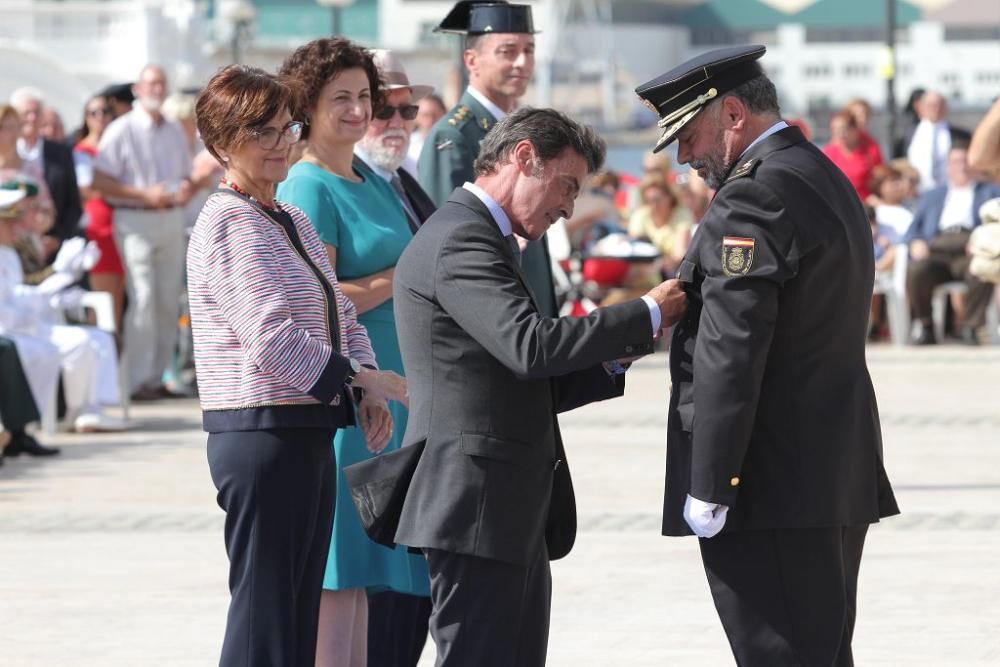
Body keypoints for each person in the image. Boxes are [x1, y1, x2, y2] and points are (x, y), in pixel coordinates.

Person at [352, 107, 687, 666]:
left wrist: (614, 357)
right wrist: (643, 314)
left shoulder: (482, 237)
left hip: (501, 501)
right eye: (566, 186)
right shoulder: (461, 238)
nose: (568, 208)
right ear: (524, 156)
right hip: (474, 500)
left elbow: (514, 379)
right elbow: (529, 347)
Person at [635, 45, 899, 666]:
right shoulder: (815, 170)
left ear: (731, 114)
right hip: (826, 469)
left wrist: (711, 481)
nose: (683, 156)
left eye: (690, 135)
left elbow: (733, 348)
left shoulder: (755, 196)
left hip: (769, 482)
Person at [188, 64, 408, 667]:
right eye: (260, 132)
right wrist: (364, 378)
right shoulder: (230, 221)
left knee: (293, 610)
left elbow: (338, 310)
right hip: (259, 430)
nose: (280, 143)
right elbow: (269, 338)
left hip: (303, 427)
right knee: (265, 612)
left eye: (285, 128)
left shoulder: (287, 217)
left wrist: (364, 393)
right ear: (220, 143)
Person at [276, 38, 431, 667]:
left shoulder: (369, 175)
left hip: (392, 394)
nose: (357, 110)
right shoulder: (309, 184)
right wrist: (404, 276)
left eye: (364, 97)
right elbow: (318, 302)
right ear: (307, 105)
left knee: (371, 580)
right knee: (340, 576)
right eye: (340, 97)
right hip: (351, 395)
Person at [352, 47, 438, 666]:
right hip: (370, 405)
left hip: (415, 403)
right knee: (377, 587)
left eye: (407, 109)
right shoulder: (327, 181)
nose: (396, 120)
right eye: (383, 107)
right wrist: (404, 274)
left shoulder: (398, 179)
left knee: (413, 587)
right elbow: (314, 299)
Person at [420, 2, 560, 318]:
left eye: (529, 50)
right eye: (508, 52)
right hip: (494, 319)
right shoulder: (454, 136)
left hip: (529, 311)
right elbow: (448, 245)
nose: (522, 62)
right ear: (472, 60)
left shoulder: (522, 129)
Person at [92, 65, 194, 400]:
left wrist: (181, 191)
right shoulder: (121, 130)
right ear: (138, 88)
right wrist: (145, 194)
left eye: (162, 83)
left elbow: (185, 175)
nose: (157, 89)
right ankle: (134, 380)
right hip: (134, 219)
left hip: (169, 217)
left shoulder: (175, 132)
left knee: (167, 301)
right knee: (144, 298)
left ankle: (155, 377)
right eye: (152, 83)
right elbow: (100, 180)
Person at [902, 143, 1000, 345]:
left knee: (981, 269)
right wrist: (916, 242)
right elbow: (912, 231)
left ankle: (972, 327)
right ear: (948, 166)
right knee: (916, 270)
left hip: (970, 248)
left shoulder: (991, 192)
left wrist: (983, 243)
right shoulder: (932, 196)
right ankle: (926, 325)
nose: (962, 166)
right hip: (937, 249)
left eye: (966, 161)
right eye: (956, 161)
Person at [356, 49, 438, 232]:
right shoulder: (348, 180)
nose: (397, 123)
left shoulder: (403, 175)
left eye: (407, 111)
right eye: (384, 112)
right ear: (358, 114)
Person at [10, 87, 82, 261]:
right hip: (11, 246)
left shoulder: (61, 153)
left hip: (53, 247)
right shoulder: (5, 152)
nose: (32, 118)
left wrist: (57, 239)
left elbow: (72, 203)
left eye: (36, 113)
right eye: (26, 113)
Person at [73, 94, 125, 330]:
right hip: (98, 226)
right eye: (94, 112)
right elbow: (85, 190)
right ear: (86, 118)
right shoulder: (82, 151)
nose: (101, 117)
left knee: (119, 301)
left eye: (105, 111)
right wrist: (118, 190)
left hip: (122, 223)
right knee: (103, 301)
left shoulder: (117, 145)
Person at [905, 90, 970, 192]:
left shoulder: (961, 135)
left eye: (940, 105)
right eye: (931, 105)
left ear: (946, 108)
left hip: (952, 190)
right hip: (918, 191)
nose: (936, 109)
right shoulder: (908, 134)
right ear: (920, 107)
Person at [626, 177, 693, 275]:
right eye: (649, 200)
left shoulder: (682, 214)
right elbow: (634, 249)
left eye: (657, 200)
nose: (654, 205)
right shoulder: (640, 215)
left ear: (669, 198)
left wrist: (660, 264)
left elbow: (680, 254)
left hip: (672, 271)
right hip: (644, 271)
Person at [823, 109, 883, 202]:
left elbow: (879, 177)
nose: (839, 133)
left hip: (865, 201)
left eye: (843, 129)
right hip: (839, 201)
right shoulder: (829, 151)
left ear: (855, 129)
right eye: (835, 129)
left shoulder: (870, 150)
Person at [868, 164, 915, 238]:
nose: (899, 185)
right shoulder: (878, 213)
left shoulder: (911, 203)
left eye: (899, 180)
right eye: (893, 182)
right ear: (879, 187)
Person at [407, 93, 446, 175]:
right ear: (416, 117)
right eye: (425, 115)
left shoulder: (451, 144)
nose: (430, 121)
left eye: (435, 115)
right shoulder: (408, 145)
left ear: (444, 115)